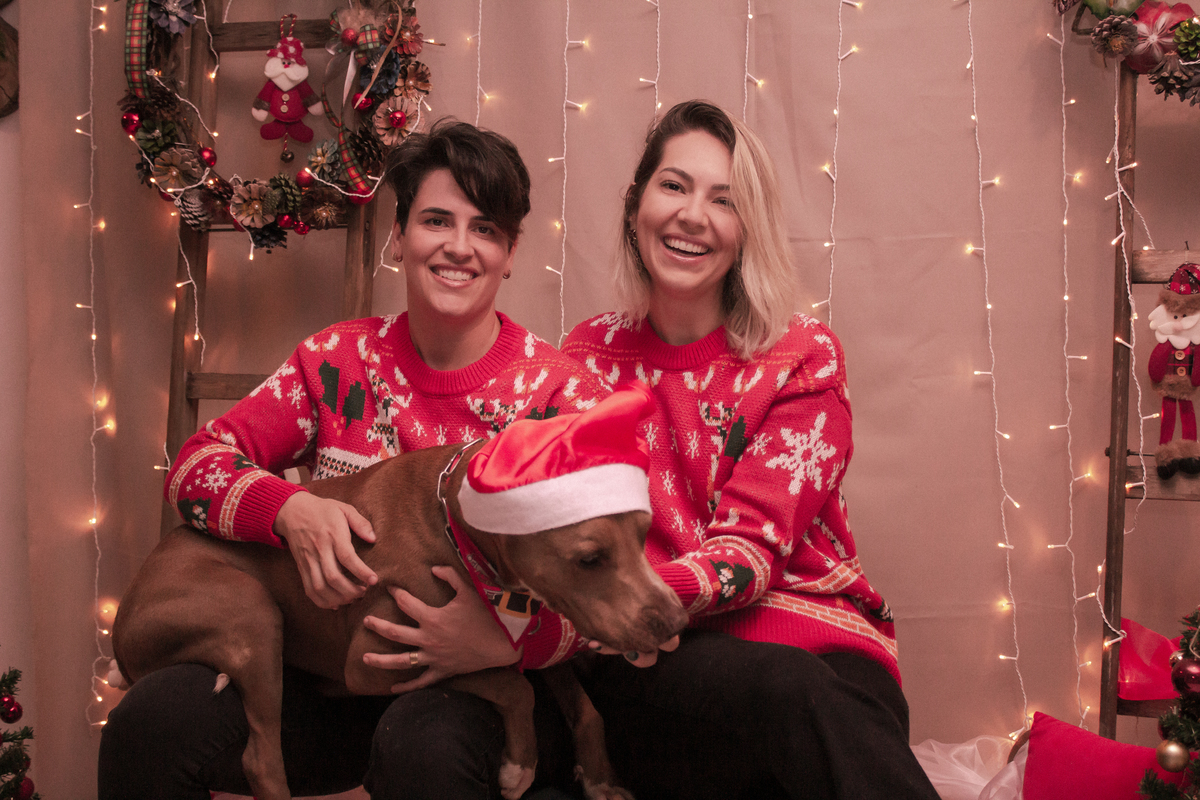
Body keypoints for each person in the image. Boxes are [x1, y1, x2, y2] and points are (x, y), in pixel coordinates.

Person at [98, 119, 607, 800]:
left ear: (511, 252)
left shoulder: (562, 399)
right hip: (336, 679)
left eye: (485, 229)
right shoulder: (336, 361)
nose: (459, 247)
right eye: (436, 220)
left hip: (485, 688)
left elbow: (619, 578)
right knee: (149, 724)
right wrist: (288, 509)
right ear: (398, 237)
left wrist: (510, 641)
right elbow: (195, 467)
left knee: (421, 748)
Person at [557, 100, 941, 800]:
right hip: (657, 656)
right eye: (674, 186)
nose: (692, 215)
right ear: (635, 205)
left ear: (748, 229)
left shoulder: (802, 356)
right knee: (775, 695)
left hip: (813, 640)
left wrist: (619, 599)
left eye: (723, 200)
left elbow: (750, 550)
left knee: (813, 698)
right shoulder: (587, 357)